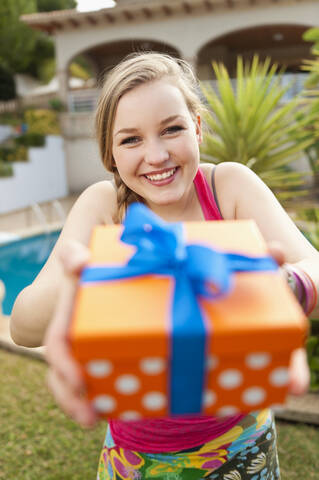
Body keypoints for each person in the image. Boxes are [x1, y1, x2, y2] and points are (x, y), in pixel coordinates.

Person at [10, 52, 319, 480]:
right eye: (131, 139)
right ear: (110, 153)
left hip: (242, 444)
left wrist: (285, 286)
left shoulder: (227, 187)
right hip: (134, 458)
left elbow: (313, 266)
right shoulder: (105, 208)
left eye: (172, 129)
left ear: (195, 127)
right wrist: (90, 272)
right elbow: (24, 328)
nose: (156, 156)